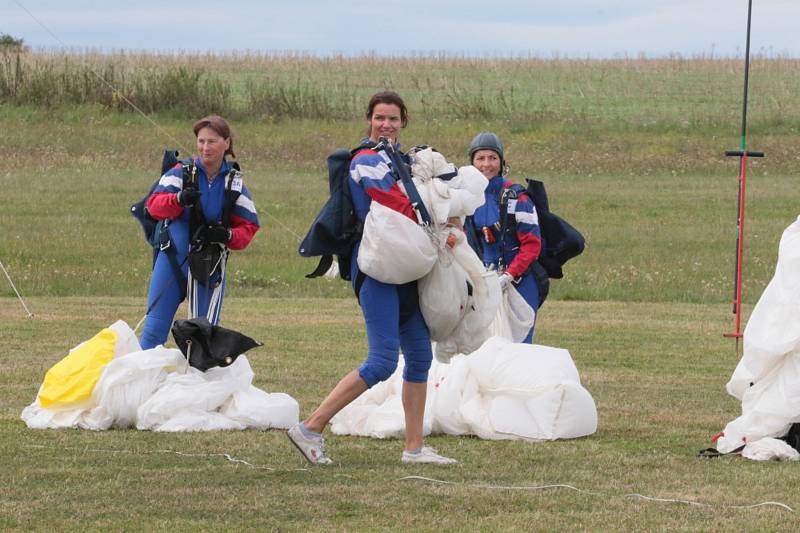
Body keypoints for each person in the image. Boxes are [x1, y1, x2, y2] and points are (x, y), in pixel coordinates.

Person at [287, 91, 456, 465]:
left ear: (403, 122)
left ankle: (414, 448)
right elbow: (390, 203)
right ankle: (310, 427)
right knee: (381, 361)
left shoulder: (404, 161)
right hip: (377, 270)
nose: (386, 125)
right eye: (380, 117)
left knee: (418, 356)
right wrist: (436, 220)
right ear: (369, 120)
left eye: (393, 119)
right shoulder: (366, 160)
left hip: (406, 269)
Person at [139, 115, 259, 350]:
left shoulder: (234, 182)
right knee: (154, 329)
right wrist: (178, 199)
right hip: (173, 260)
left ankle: (200, 385)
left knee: (205, 335)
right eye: (201, 141)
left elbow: (249, 227)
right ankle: (143, 385)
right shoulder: (180, 173)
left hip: (209, 264)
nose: (205, 148)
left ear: (226, 143)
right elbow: (153, 206)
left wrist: (227, 236)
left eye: (212, 142)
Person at [467, 131, 543, 343]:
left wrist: (509, 275)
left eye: (492, 158)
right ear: (472, 163)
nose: (486, 164)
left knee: (519, 345)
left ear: (501, 162)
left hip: (520, 280)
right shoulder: (468, 198)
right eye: (480, 158)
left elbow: (532, 245)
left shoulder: (517, 198)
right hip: (485, 279)